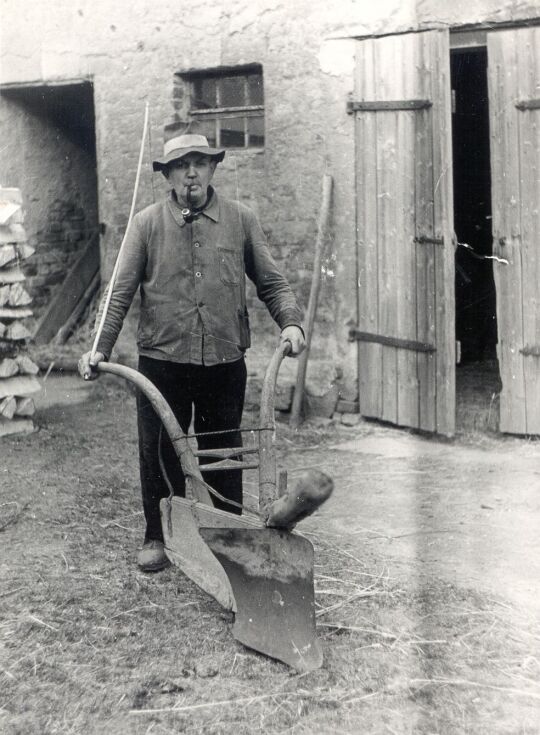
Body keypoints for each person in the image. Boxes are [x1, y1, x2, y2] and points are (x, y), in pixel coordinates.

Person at [78, 132, 305, 572]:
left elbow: (272, 282)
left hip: (224, 359)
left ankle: (230, 540)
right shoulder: (146, 224)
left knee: (224, 452)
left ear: (213, 168)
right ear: (167, 175)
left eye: (199, 162)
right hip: (162, 363)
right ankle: (158, 536)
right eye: (180, 166)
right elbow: (119, 293)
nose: (191, 173)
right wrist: (97, 350)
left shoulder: (241, 220)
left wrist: (290, 322)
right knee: (160, 452)